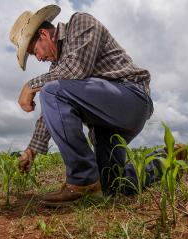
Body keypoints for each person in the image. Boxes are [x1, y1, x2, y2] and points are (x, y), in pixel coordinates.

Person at [9, 4, 157, 206]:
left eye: (35, 52)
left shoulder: (80, 23)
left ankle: (82, 179)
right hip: (105, 125)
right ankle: (164, 159)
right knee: (112, 184)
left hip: (131, 98)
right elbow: (53, 109)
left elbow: (76, 70)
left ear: (43, 34)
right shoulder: (57, 70)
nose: (40, 58)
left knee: (51, 89)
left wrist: (30, 85)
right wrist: (31, 151)